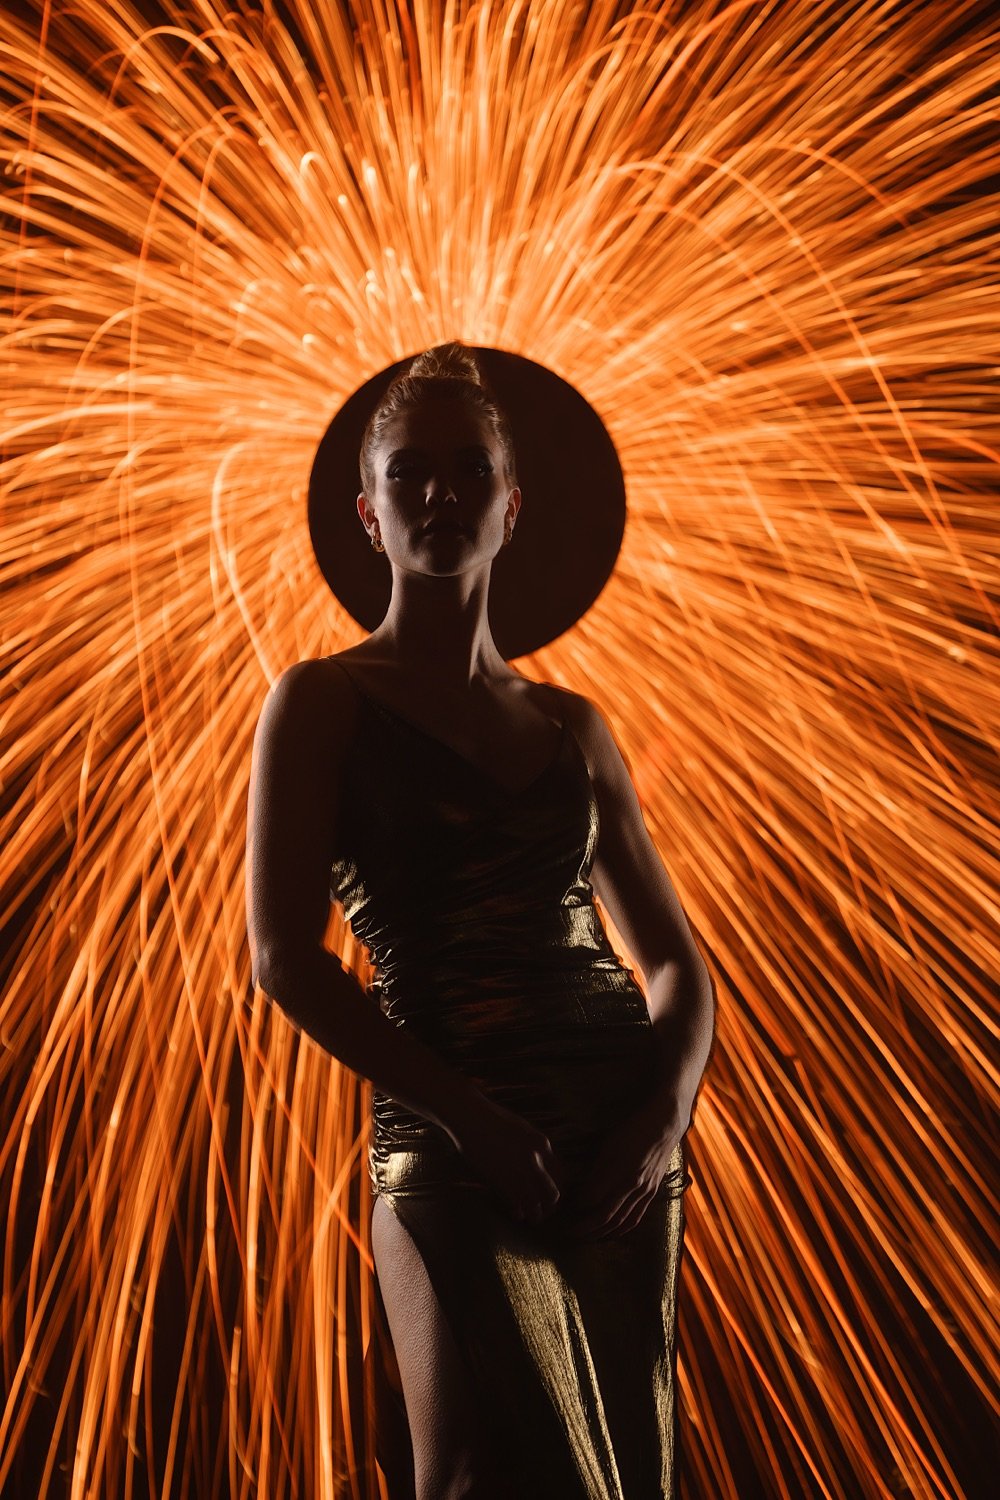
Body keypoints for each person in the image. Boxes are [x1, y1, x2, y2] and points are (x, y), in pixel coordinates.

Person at [245, 343, 716, 1499]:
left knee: (619, 1479)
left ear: (514, 504)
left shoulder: (576, 729)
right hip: (449, 1135)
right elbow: (283, 961)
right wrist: (469, 1120)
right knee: (459, 1475)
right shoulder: (320, 702)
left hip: (615, 1147)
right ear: (368, 512)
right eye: (409, 475)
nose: (440, 494)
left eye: (469, 472)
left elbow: (675, 967)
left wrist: (659, 1120)